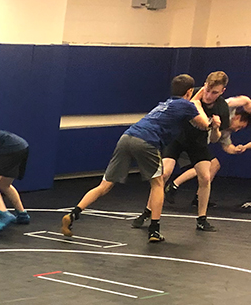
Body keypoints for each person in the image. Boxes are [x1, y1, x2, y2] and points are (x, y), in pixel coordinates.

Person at [61, 74, 209, 243]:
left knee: (105, 185)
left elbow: (184, 106)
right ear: (189, 91)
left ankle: (73, 214)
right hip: (147, 141)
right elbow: (203, 124)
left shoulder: (165, 104)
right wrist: (202, 109)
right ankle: (154, 230)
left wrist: (194, 99)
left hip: (127, 136)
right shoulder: (187, 105)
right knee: (158, 184)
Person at [132, 71, 229, 232]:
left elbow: (214, 139)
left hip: (197, 143)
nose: (209, 95)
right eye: (207, 90)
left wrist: (216, 128)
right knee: (163, 174)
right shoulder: (192, 95)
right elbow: (187, 105)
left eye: (214, 93)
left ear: (222, 91)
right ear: (204, 85)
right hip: (178, 138)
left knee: (205, 176)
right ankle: (147, 212)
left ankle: (202, 219)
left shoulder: (222, 107)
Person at [167, 94, 251, 216]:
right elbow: (244, 100)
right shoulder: (225, 109)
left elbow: (227, 146)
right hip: (189, 137)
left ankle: (197, 197)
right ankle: (173, 185)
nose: (237, 130)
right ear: (237, 117)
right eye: (239, 126)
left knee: (214, 165)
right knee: (204, 166)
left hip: (199, 143)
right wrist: (248, 107)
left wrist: (237, 149)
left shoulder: (226, 131)